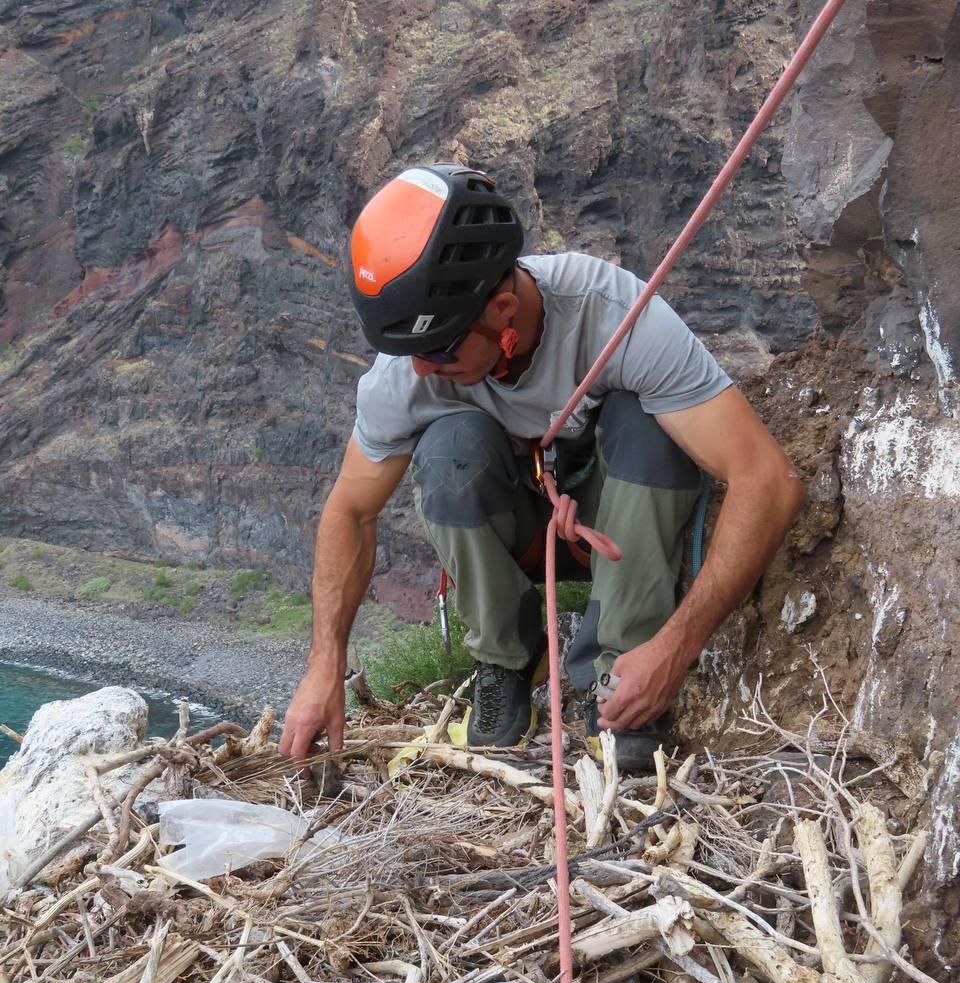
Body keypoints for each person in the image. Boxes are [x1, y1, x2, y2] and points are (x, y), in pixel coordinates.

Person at [278, 164, 805, 768]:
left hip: (626, 523)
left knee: (643, 423)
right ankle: (508, 660)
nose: (420, 369)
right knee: (449, 445)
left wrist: (675, 649)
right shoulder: (411, 371)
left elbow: (769, 481)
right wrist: (324, 669)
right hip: (527, 530)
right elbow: (350, 510)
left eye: (439, 350)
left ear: (503, 309)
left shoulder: (614, 318)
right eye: (407, 352)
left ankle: (620, 677)